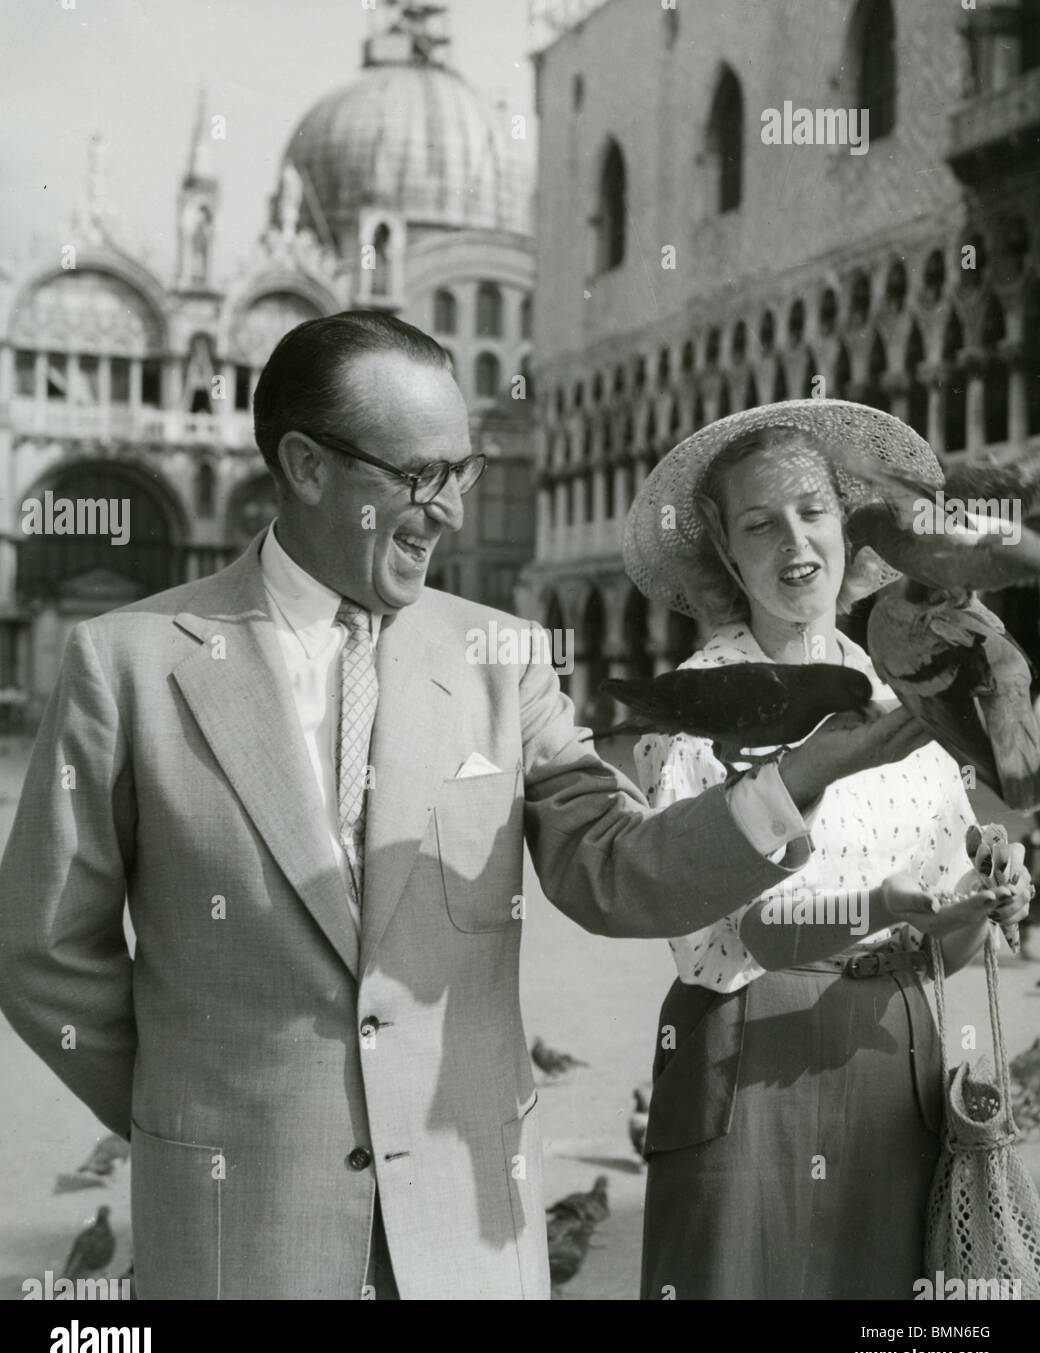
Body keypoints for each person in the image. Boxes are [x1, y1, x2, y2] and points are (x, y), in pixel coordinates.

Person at [0, 317, 935, 1301]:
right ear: (306, 466)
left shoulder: (504, 657)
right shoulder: (128, 663)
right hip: (241, 1230)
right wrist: (194, 1113)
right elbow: (45, 951)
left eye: (462, 470)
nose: (446, 510)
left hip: (466, 1237)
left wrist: (797, 778)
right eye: (414, 476)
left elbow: (616, 872)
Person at [623, 401, 1033, 1302]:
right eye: (760, 525)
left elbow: (945, 941)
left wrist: (984, 899)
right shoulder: (698, 709)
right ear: (728, 557)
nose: (795, 541)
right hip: (746, 1061)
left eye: (813, 511)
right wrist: (883, 908)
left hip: (899, 1064)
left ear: (849, 526)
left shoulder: (907, 687)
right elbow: (734, 940)